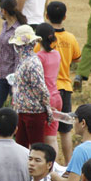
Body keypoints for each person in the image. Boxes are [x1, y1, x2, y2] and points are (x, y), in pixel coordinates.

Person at [45, 1, 82, 163]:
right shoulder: (70, 38)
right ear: (65, 17)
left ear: (46, 16)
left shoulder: (44, 40)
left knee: (49, 132)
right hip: (65, 88)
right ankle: (69, 164)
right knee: (65, 130)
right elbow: (77, 58)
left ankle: (50, 165)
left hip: (48, 90)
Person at [8, 25, 49, 148]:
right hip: (24, 110)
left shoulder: (31, 62)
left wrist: (46, 106)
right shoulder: (28, 61)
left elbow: (40, 88)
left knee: (35, 147)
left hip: (33, 112)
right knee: (23, 146)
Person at [0, 0, 27, 122]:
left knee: (15, 112)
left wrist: (15, 79)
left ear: (4, 11)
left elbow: (19, 56)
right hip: (2, 74)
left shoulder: (18, 30)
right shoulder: (5, 25)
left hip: (12, 77)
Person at [34, 23, 63, 151]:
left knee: (40, 138)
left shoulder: (38, 57)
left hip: (44, 99)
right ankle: (53, 166)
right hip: (56, 96)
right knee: (52, 137)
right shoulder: (56, 54)